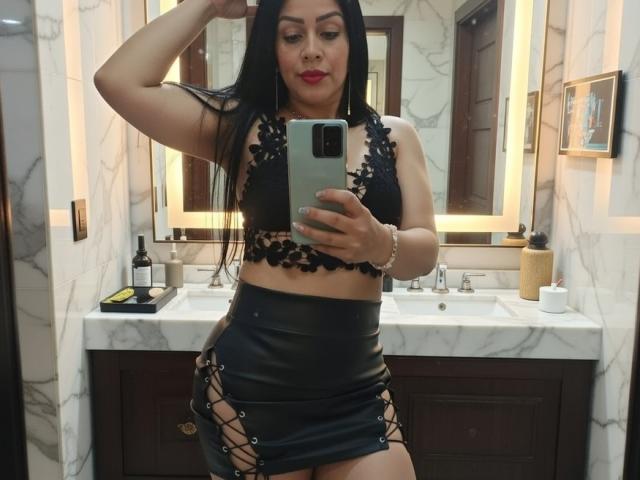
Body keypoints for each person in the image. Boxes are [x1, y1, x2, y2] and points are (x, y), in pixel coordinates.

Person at [94, 0, 439, 478]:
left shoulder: (396, 136)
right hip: (251, 389)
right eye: (292, 36)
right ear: (271, 49)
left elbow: (425, 251)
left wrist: (379, 242)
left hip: (357, 390)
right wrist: (207, 5)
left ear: (354, 41)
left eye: (329, 33)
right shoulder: (239, 126)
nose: (311, 51)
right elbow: (119, 81)